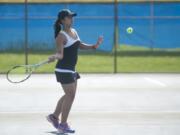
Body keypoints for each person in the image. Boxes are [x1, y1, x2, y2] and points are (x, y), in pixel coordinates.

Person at [46, 9, 103, 134]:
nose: (72, 19)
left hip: (71, 69)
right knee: (70, 96)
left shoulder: (74, 31)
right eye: (69, 17)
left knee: (69, 96)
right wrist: (54, 57)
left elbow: (79, 45)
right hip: (63, 69)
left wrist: (93, 46)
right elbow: (60, 54)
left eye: (72, 17)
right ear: (62, 20)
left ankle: (54, 117)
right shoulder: (61, 36)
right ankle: (63, 124)